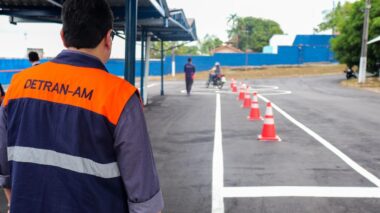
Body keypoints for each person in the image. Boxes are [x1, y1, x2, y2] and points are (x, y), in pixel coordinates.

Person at [0, 0, 163, 213]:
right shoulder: (120, 96)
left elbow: (5, 171)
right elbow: (145, 200)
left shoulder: (18, 85)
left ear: (62, 36)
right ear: (107, 38)